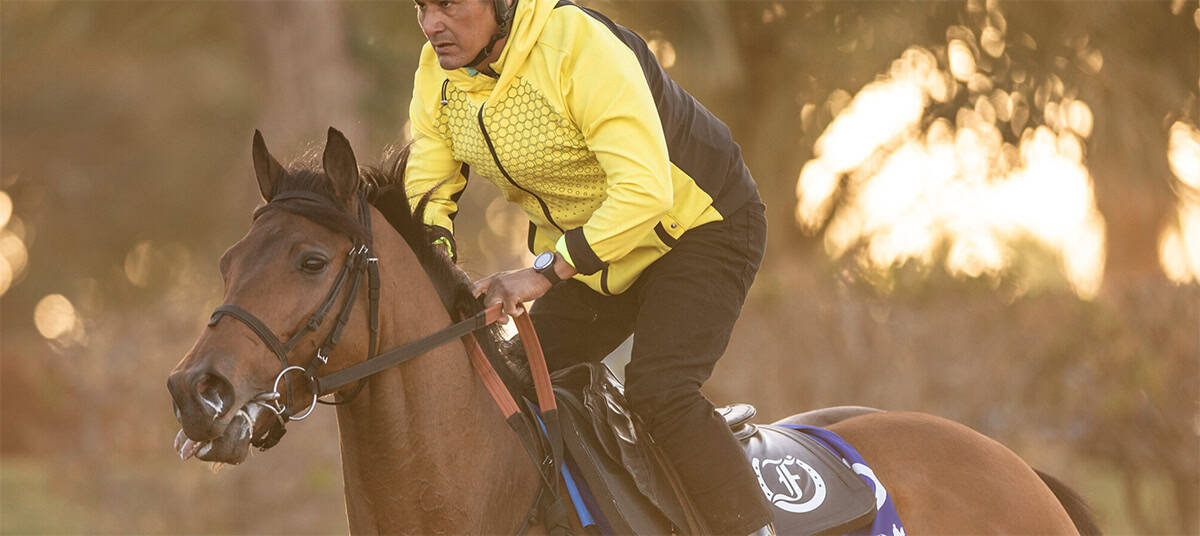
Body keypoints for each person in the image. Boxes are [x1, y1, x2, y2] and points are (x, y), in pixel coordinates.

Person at [404, 0, 772, 533]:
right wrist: (436, 280)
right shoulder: (436, 75)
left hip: (701, 225)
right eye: (420, 7)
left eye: (449, 5)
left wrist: (542, 272)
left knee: (659, 392)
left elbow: (645, 191)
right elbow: (427, 194)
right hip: (602, 254)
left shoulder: (575, 44)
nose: (431, 24)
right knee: (512, 387)